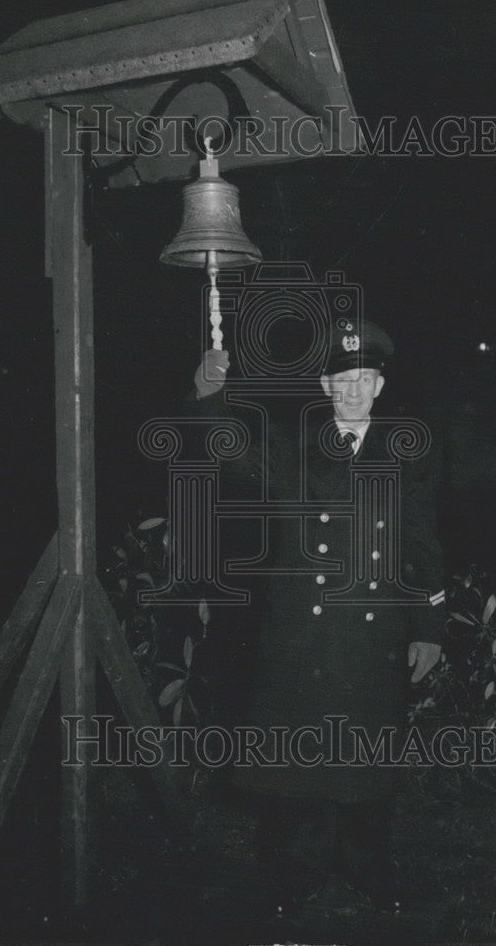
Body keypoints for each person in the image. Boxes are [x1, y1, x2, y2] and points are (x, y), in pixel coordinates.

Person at [192, 318, 445, 912]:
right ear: (325, 383)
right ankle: (296, 872)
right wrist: (209, 396)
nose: (352, 390)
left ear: (379, 386)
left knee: (368, 761)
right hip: (301, 633)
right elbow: (232, 455)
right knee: (300, 761)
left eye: (364, 379)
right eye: (342, 379)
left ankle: (366, 866)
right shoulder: (293, 445)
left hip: (375, 631)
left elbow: (420, 541)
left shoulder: (407, 450)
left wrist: (429, 625)